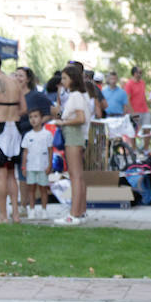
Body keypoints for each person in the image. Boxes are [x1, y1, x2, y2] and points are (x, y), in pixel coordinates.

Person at [0, 52, 27, 223]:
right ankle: (16, 215)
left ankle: (3, 215)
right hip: (15, 128)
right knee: (12, 173)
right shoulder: (14, 82)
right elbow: (24, 108)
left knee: (0, 173)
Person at [53, 64, 92, 225]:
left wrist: (62, 123)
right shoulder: (81, 94)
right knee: (79, 176)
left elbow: (81, 118)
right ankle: (80, 211)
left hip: (73, 135)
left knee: (75, 176)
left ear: (72, 79)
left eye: (64, 78)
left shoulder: (75, 95)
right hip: (78, 136)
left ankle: (73, 214)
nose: (62, 81)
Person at [20, 108, 53, 219]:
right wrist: (24, 166)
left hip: (43, 166)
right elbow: (25, 152)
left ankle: (44, 210)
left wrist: (49, 165)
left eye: (36, 116)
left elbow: (50, 150)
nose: (33, 119)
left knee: (43, 188)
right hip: (31, 167)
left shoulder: (47, 134)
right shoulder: (28, 135)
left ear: (41, 118)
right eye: (31, 117)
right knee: (31, 189)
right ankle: (32, 210)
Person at [125, 66, 151, 150]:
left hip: (145, 110)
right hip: (135, 111)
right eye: (139, 72)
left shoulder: (142, 83)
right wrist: (132, 112)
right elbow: (127, 99)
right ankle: (134, 149)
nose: (140, 74)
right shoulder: (129, 84)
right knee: (134, 131)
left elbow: (143, 96)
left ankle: (146, 150)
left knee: (147, 130)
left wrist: (147, 107)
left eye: (141, 72)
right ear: (134, 73)